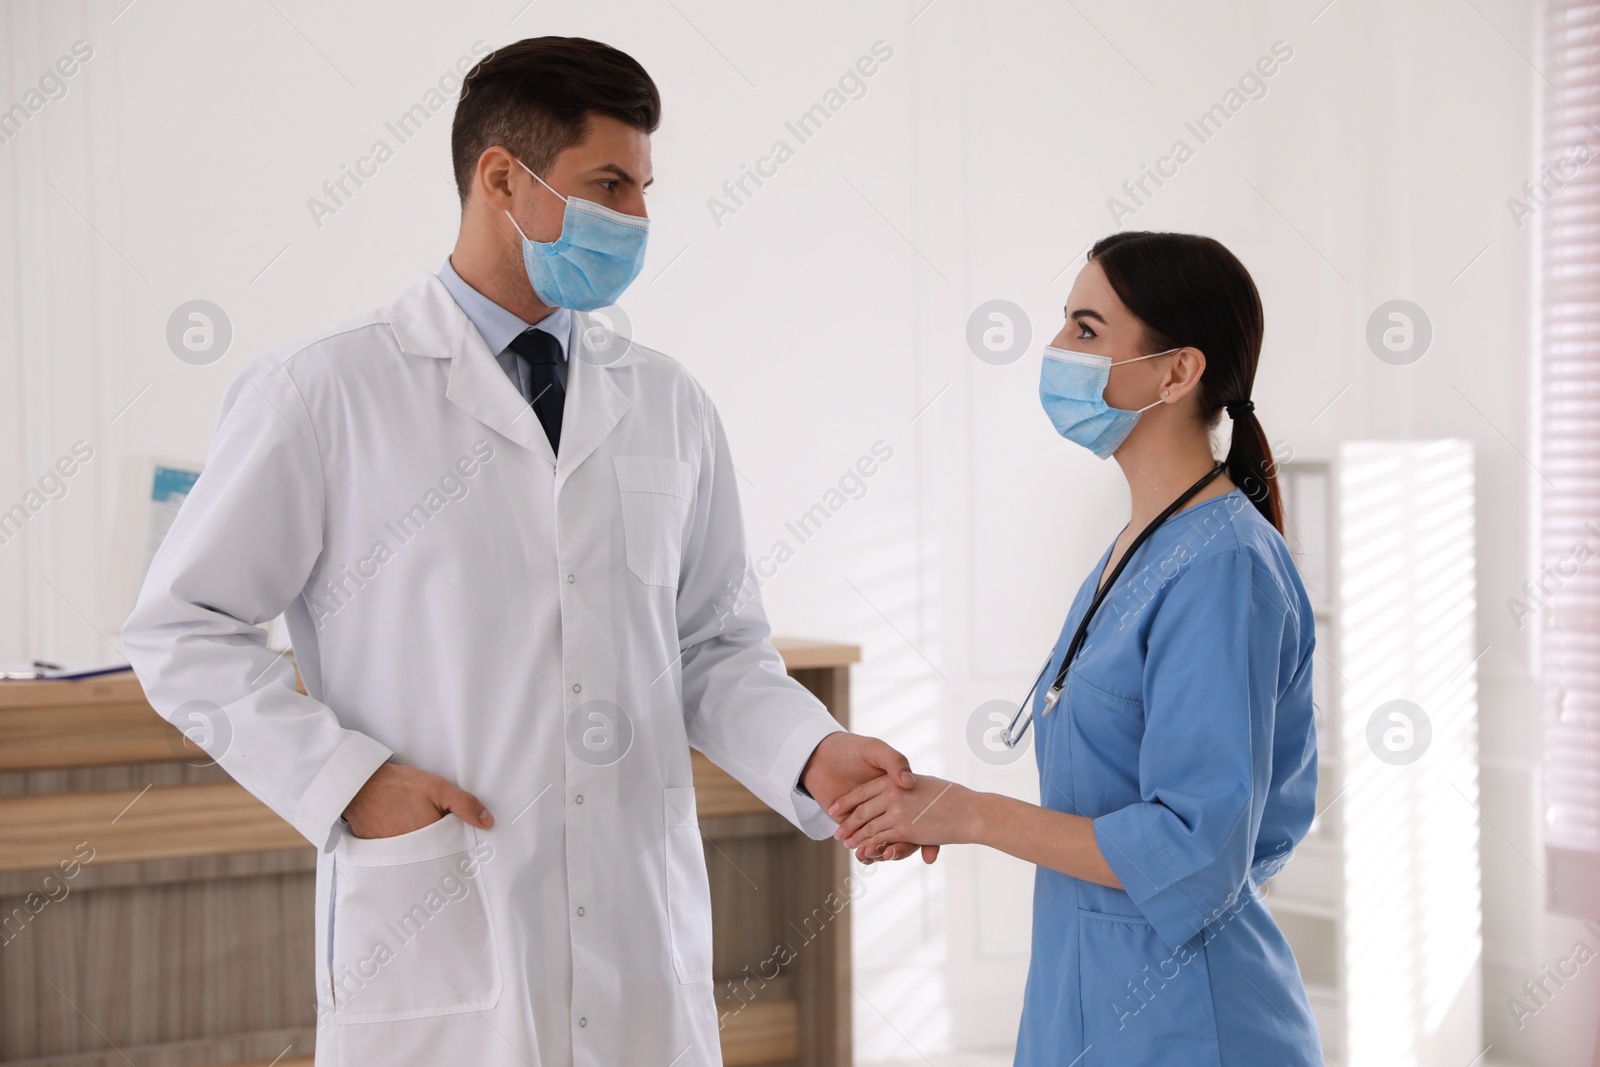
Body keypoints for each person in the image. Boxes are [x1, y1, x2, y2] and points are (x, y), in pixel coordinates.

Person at [122, 36, 923, 1067]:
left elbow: (716, 647)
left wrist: (811, 752)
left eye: (642, 189)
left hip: (637, 938)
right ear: (501, 176)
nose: (637, 218)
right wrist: (346, 780)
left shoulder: (666, 401)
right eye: (609, 184)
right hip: (439, 921)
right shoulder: (326, 391)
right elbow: (182, 626)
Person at [831, 232, 1323, 1064]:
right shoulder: (1139, 545)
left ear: (1178, 371)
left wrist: (969, 812)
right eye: (1064, 323)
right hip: (1087, 1004)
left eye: (1087, 330)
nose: (1057, 350)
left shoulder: (1222, 565)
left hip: (1192, 1027)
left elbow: (1201, 852)